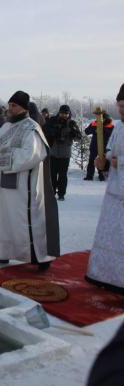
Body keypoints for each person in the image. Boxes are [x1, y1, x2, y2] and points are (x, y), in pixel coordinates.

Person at [0, 91, 59, 272]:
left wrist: (4, 158)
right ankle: (1, 252)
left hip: (23, 185)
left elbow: (31, 155)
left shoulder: (31, 128)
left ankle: (40, 257)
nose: (10, 109)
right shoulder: (6, 128)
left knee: (24, 219)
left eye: (14, 106)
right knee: (2, 218)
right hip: (3, 184)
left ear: (23, 108)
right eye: (9, 105)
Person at [85, 83, 124, 293]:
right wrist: (105, 162)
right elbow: (110, 150)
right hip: (115, 190)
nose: (122, 111)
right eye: (120, 106)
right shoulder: (119, 126)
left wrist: (122, 162)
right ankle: (106, 274)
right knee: (113, 234)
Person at [43, 105, 81, 200]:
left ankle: (61, 194)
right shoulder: (52, 121)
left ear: (69, 114)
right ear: (59, 112)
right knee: (52, 174)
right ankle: (51, 192)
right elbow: (45, 130)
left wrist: (72, 133)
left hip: (65, 154)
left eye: (66, 113)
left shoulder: (71, 123)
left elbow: (79, 137)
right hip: (53, 152)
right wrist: (54, 133)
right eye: (62, 113)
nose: (64, 115)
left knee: (63, 175)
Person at [84, 112, 114, 181]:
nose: (100, 120)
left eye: (102, 118)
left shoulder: (110, 126)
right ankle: (89, 176)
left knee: (104, 161)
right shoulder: (94, 123)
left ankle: (102, 175)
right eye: (99, 118)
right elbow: (86, 131)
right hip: (94, 146)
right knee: (91, 160)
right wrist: (94, 129)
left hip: (106, 147)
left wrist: (102, 130)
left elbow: (113, 135)